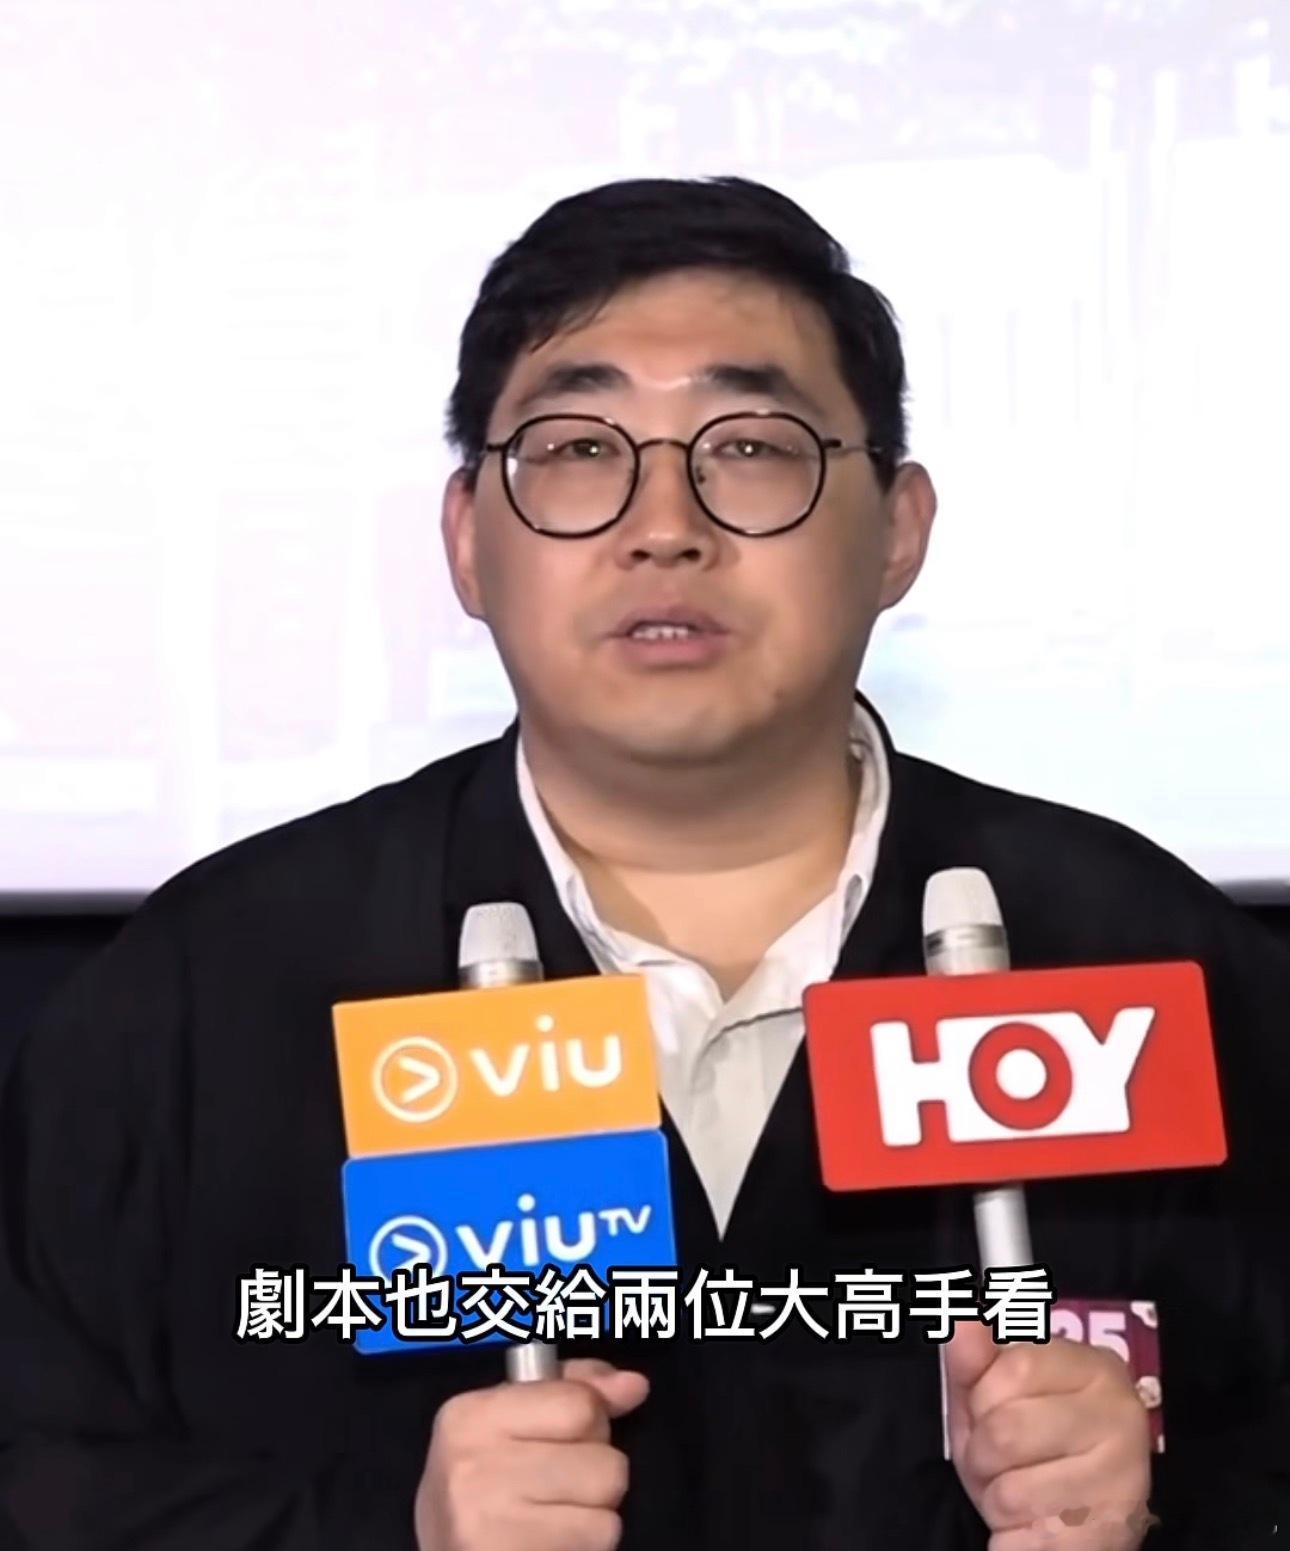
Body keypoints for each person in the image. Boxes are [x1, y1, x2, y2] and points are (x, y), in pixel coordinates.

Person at [1, 175, 1288, 1551]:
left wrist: (1162, 1512)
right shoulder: (215, 987)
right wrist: (390, 1533)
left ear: (898, 529)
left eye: (751, 447)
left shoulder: (1147, 960)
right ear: (466, 541)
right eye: (575, 448)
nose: (663, 522)